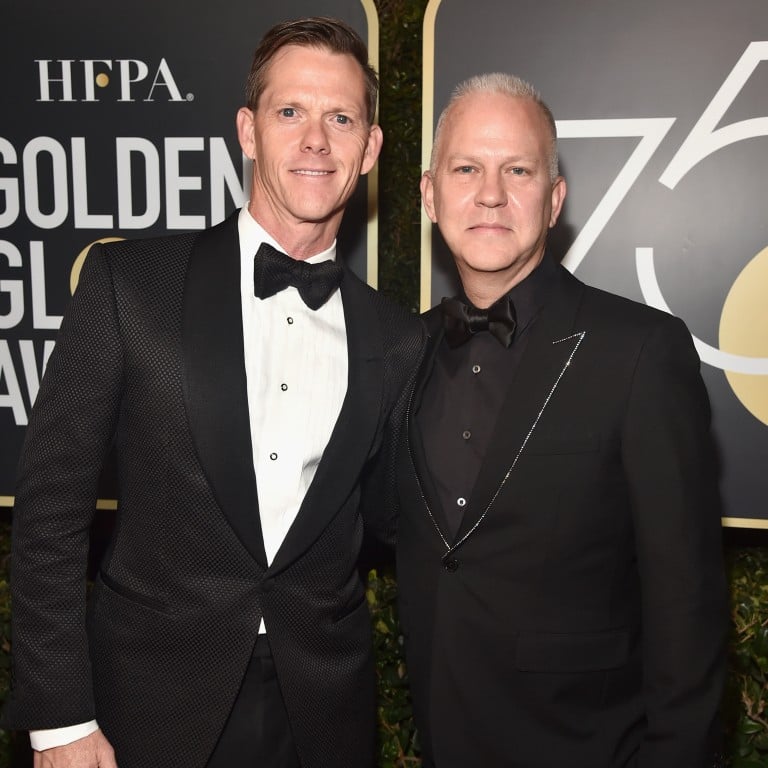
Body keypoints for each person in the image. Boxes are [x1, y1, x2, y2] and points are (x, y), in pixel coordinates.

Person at [4, 17, 422, 768]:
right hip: (146, 708)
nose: (316, 140)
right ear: (248, 132)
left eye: (341, 118)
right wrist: (61, 720)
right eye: (290, 111)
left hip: (323, 712)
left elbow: (395, 520)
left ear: (370, 148)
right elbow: (49, 512)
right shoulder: (129, 287)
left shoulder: (397, 338)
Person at [395, 72, 728, 768]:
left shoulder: (640, 351)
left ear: (553, 200)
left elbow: (686, 605)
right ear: (430, 194)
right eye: (466, 169)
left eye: (518, 170)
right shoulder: (400, 351)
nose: (491, 193)